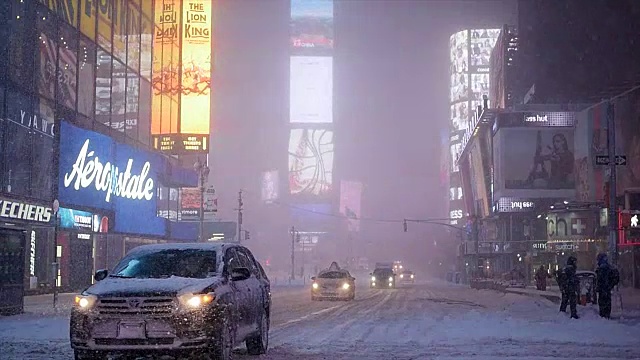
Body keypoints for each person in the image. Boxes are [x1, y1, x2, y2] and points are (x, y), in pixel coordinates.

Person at [595, 253, 620, 319]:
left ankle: (604, 316)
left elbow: (601, 280)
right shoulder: (609, 268)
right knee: (607, 302)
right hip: (607, 289)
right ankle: (606, 315)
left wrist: (600, 286)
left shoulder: (602, 269)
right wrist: (610, 285)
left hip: (603, 289)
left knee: (603, 302)